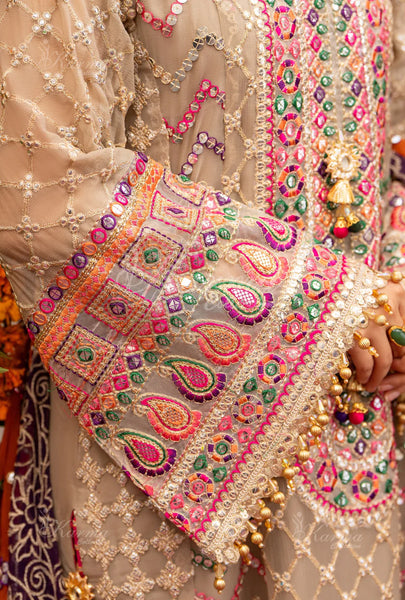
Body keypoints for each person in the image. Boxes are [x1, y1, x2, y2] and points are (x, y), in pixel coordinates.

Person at [0, 0, 404, 599]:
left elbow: (391, 143)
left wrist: (394, 292)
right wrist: (328, 308)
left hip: (356, 434)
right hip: (158, 455)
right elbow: (34, 191)